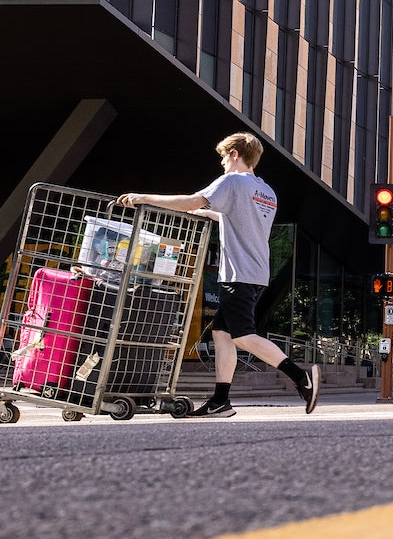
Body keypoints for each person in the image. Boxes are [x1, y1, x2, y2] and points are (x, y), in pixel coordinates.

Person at [118, 133, 319, 417]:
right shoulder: (266, 191)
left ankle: (301, 378)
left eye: (224, 157)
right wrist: (205, 214)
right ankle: (220, 401)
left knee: (243, 335)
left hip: (238, 272)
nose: (222, 163)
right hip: (256, 271)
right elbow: (234, 219)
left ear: (235, 154)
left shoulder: (231, 181)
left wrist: (143, 198)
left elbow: (190, 201)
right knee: (221, 334)